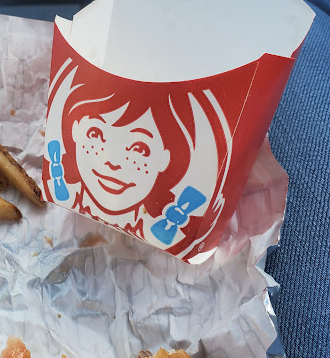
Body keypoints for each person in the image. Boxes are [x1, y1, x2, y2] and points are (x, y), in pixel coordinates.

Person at [43, 52, 232, 253]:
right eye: (95, 133)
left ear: (166, 158)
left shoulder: (168, 226)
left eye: (139, 148)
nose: (113, 161)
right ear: (75, 130)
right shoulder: (63, 187)